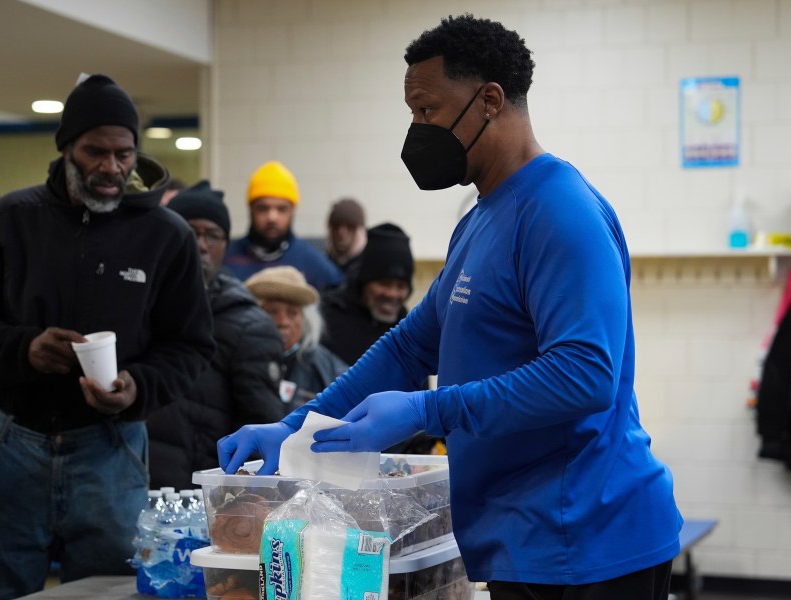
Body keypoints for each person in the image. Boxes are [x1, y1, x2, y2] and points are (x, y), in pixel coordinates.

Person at [218, 14, 681, 600]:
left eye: (427, 111)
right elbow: (409, 346)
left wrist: (427, 410)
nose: (417, 130)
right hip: (522, 540)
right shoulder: (481, 218)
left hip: (588, 542)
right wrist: (294, 429)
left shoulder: (560, 212)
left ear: (489, 100)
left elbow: (584, 376)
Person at [0, 73, 215, 600]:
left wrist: (137, 387)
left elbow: (191, 345)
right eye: (94, 152)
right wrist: (24, 349)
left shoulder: (165, 236)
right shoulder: (8, 220)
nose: (110, 167)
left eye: (123, 153)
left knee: (109, 590)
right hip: (12, 442)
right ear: (65, 149)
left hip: (111, 448)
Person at [146, 180, 287, 491]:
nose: (200, 244)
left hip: (202, 503)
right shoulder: (138, 308)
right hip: (132, 491)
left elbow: (261, 439)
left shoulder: (248, 327)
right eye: (189, 231)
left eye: (213, 235)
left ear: (225, 245)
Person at [223, 160, 343, 291]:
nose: (272, 218)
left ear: (292, 211)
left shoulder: (313, 264)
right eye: (263, 208)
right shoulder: (226, 259)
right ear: (251, 210)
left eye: (281, 209)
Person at [244, 266, 348, 414]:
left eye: (293, 313)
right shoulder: (236, 358)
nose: (283, 322)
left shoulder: (324, 367)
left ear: (304, 320)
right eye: (272, 312)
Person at [320, 222, 414, 366]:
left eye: (401, 286)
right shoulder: (329, 319)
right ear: (364, 282)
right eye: (384, 284)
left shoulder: (406, 330)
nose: (392, 294)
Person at [325, 197, 367, 279]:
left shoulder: (368, 270)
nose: (341, 233)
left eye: (350, 227)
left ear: (360, 231)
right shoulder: (321, 266)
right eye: (336, 227)